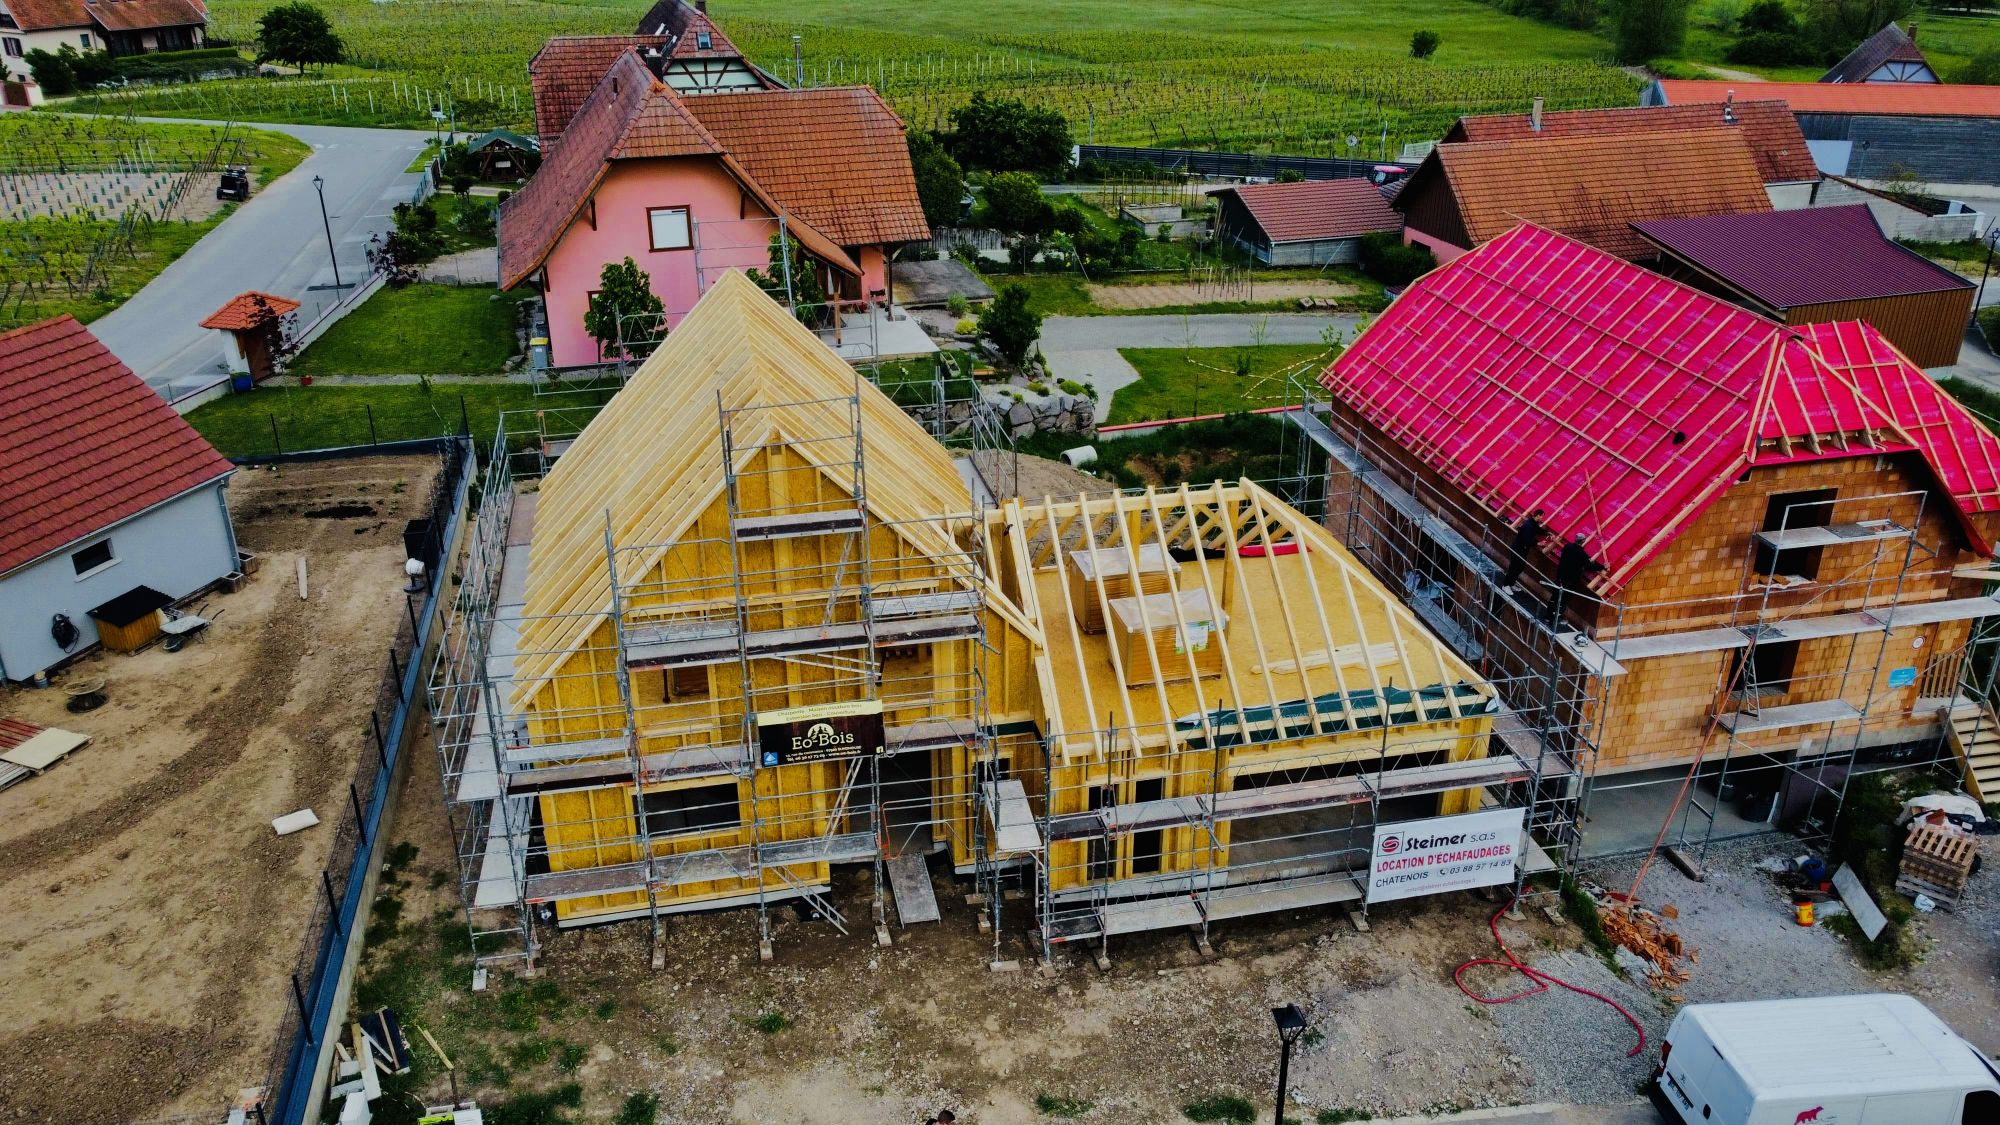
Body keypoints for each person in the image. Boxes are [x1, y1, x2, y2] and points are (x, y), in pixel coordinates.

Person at [1546, 532, 1604, 626]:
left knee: (1555, 597)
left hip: (1560, 577)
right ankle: (1556, 618)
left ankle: (1548, 616)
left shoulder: (1567, 547)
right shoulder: (1582, 554)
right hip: (1570, 581)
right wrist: (1602, 567)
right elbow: (1590, 566)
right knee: (1563, 600)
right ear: (1583, 541)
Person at [1501, 508, 1548, 589]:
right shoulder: (1528, 526)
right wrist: (1538, 543)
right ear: (1538, 516)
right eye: (1542, 517)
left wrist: (1547, 533)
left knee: (1519, 567)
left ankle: (1511, 584)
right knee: (1514, 568)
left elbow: (1538, 530)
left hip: (1522, 550)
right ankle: (1506, 585)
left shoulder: (1533, 523)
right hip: (1518, 549)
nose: (1542, 519)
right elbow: (1526, 540)